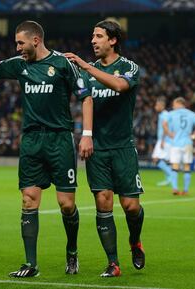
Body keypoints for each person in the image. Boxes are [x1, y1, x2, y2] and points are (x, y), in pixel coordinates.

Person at [0, 20, 94, 277]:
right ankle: (31, 264)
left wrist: (87, 135)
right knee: (28, 201)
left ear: (36, 40)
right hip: (31, 141)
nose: (18, 48)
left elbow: (86, 95)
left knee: (66, 204)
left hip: (60, 139)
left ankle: (72, 252)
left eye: (20, 43)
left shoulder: (62, 63)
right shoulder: (20, 64)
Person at [64, 20, 145, 277]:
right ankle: (113, 262)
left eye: (98, 36)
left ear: (113, 40)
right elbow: (86, 101)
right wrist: (86, 135)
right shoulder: (89, 74)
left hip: (123, 146)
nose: (93, 41)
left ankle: (135, 241)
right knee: (103, 202)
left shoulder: (129, 67)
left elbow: (120, 86)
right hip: (98, 148)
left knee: (131, 206)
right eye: (92, 36)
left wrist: (86, 66)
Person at [163, 97, 195, 195]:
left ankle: (175, 189)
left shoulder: (172, 113)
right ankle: (185, 190)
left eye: (174, 104)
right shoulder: (191, 114)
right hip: (187, 143)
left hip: (175, 144)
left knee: (175, 166)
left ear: (178, 103)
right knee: (187, 166)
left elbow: (164, 124)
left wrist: (169, 133)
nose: (173, 106)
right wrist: (193, 136)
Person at [152, 97, 173, 186]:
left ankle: (171, 176)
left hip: (164, 140)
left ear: (162, 106)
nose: (155, 107)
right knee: (162, 160)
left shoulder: (165, 115)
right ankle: (169, 179)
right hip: (164, 140)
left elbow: (165, 127)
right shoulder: (163, 114)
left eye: (157, 105)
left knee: (155, 158)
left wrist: (163, 140)